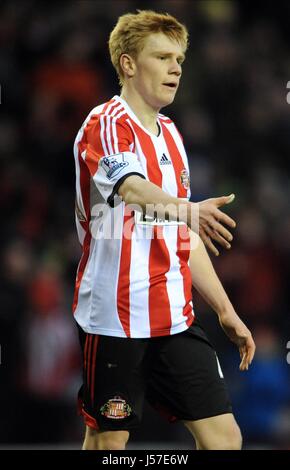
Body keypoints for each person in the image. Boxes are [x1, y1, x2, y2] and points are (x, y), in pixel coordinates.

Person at [72, 10, 255, 450]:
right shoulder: (106, 124)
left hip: (174, 315)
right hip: (115, 317)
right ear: (128, 64)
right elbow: (132, 189)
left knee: (226, 438)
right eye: (162, 56)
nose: (176, 67)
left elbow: (181, 233)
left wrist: (226, 311)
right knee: (108, 443)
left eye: (180, 58)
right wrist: (189, 210)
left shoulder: (171, 133)